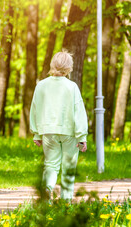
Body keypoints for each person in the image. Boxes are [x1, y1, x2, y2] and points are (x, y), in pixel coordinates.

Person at [30, 50, 88, 201]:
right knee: (68, 168)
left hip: (48, 131)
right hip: (70, 133)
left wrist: (36, 133)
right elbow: (79, 111)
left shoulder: (41, 85)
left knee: (50, 166)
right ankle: (66, 202)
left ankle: (46, 198)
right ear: (69, 67)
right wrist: (82, 136)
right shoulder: (72, 87)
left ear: (52, 65)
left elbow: (35, 109)